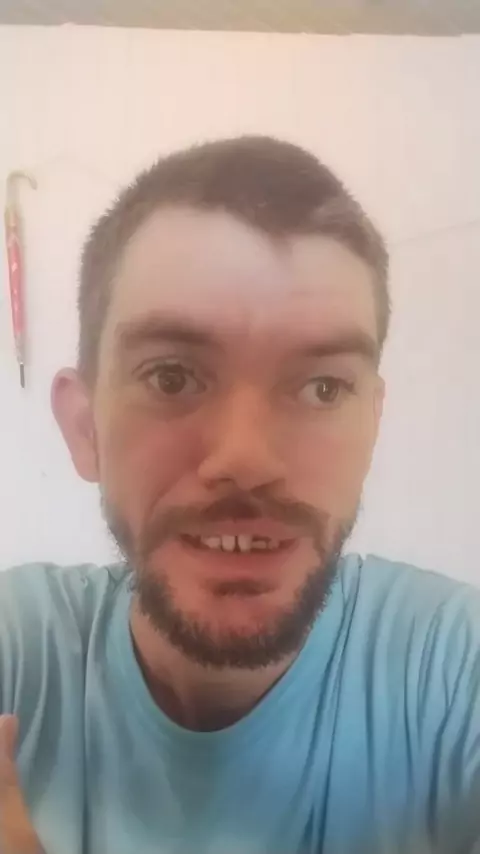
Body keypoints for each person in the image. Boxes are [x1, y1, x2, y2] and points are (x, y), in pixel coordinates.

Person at [0, 136, 478, 854]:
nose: (247, 460)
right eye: (172, 377)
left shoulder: (452, 664)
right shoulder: (19, 647)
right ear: (84, 426)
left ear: (372, 427)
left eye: (323, 388)